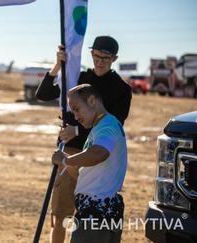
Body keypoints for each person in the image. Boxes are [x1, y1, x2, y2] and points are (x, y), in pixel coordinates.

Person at [35, 36, 132, 243]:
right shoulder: (76, 76)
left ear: (114, 58)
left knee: (90, 213)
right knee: (60, 215)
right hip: (69, 151)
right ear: (91, 53)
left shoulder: (122, 89)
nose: (100, 61)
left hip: (98, 160)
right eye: (97, 56)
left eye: (105, 57)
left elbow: (114, 125)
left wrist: (76, 131)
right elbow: (42, 94)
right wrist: (57, 66)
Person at [52, 84, 127, 243]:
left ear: (92, 101)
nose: (76, 116)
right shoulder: (99, 128)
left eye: (77, 109)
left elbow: (99, 154)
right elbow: (84, 173)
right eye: (73, 111)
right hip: (96, 212)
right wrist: (64, 164)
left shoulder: (107, 125)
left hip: (96, 215)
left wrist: (67, 160)